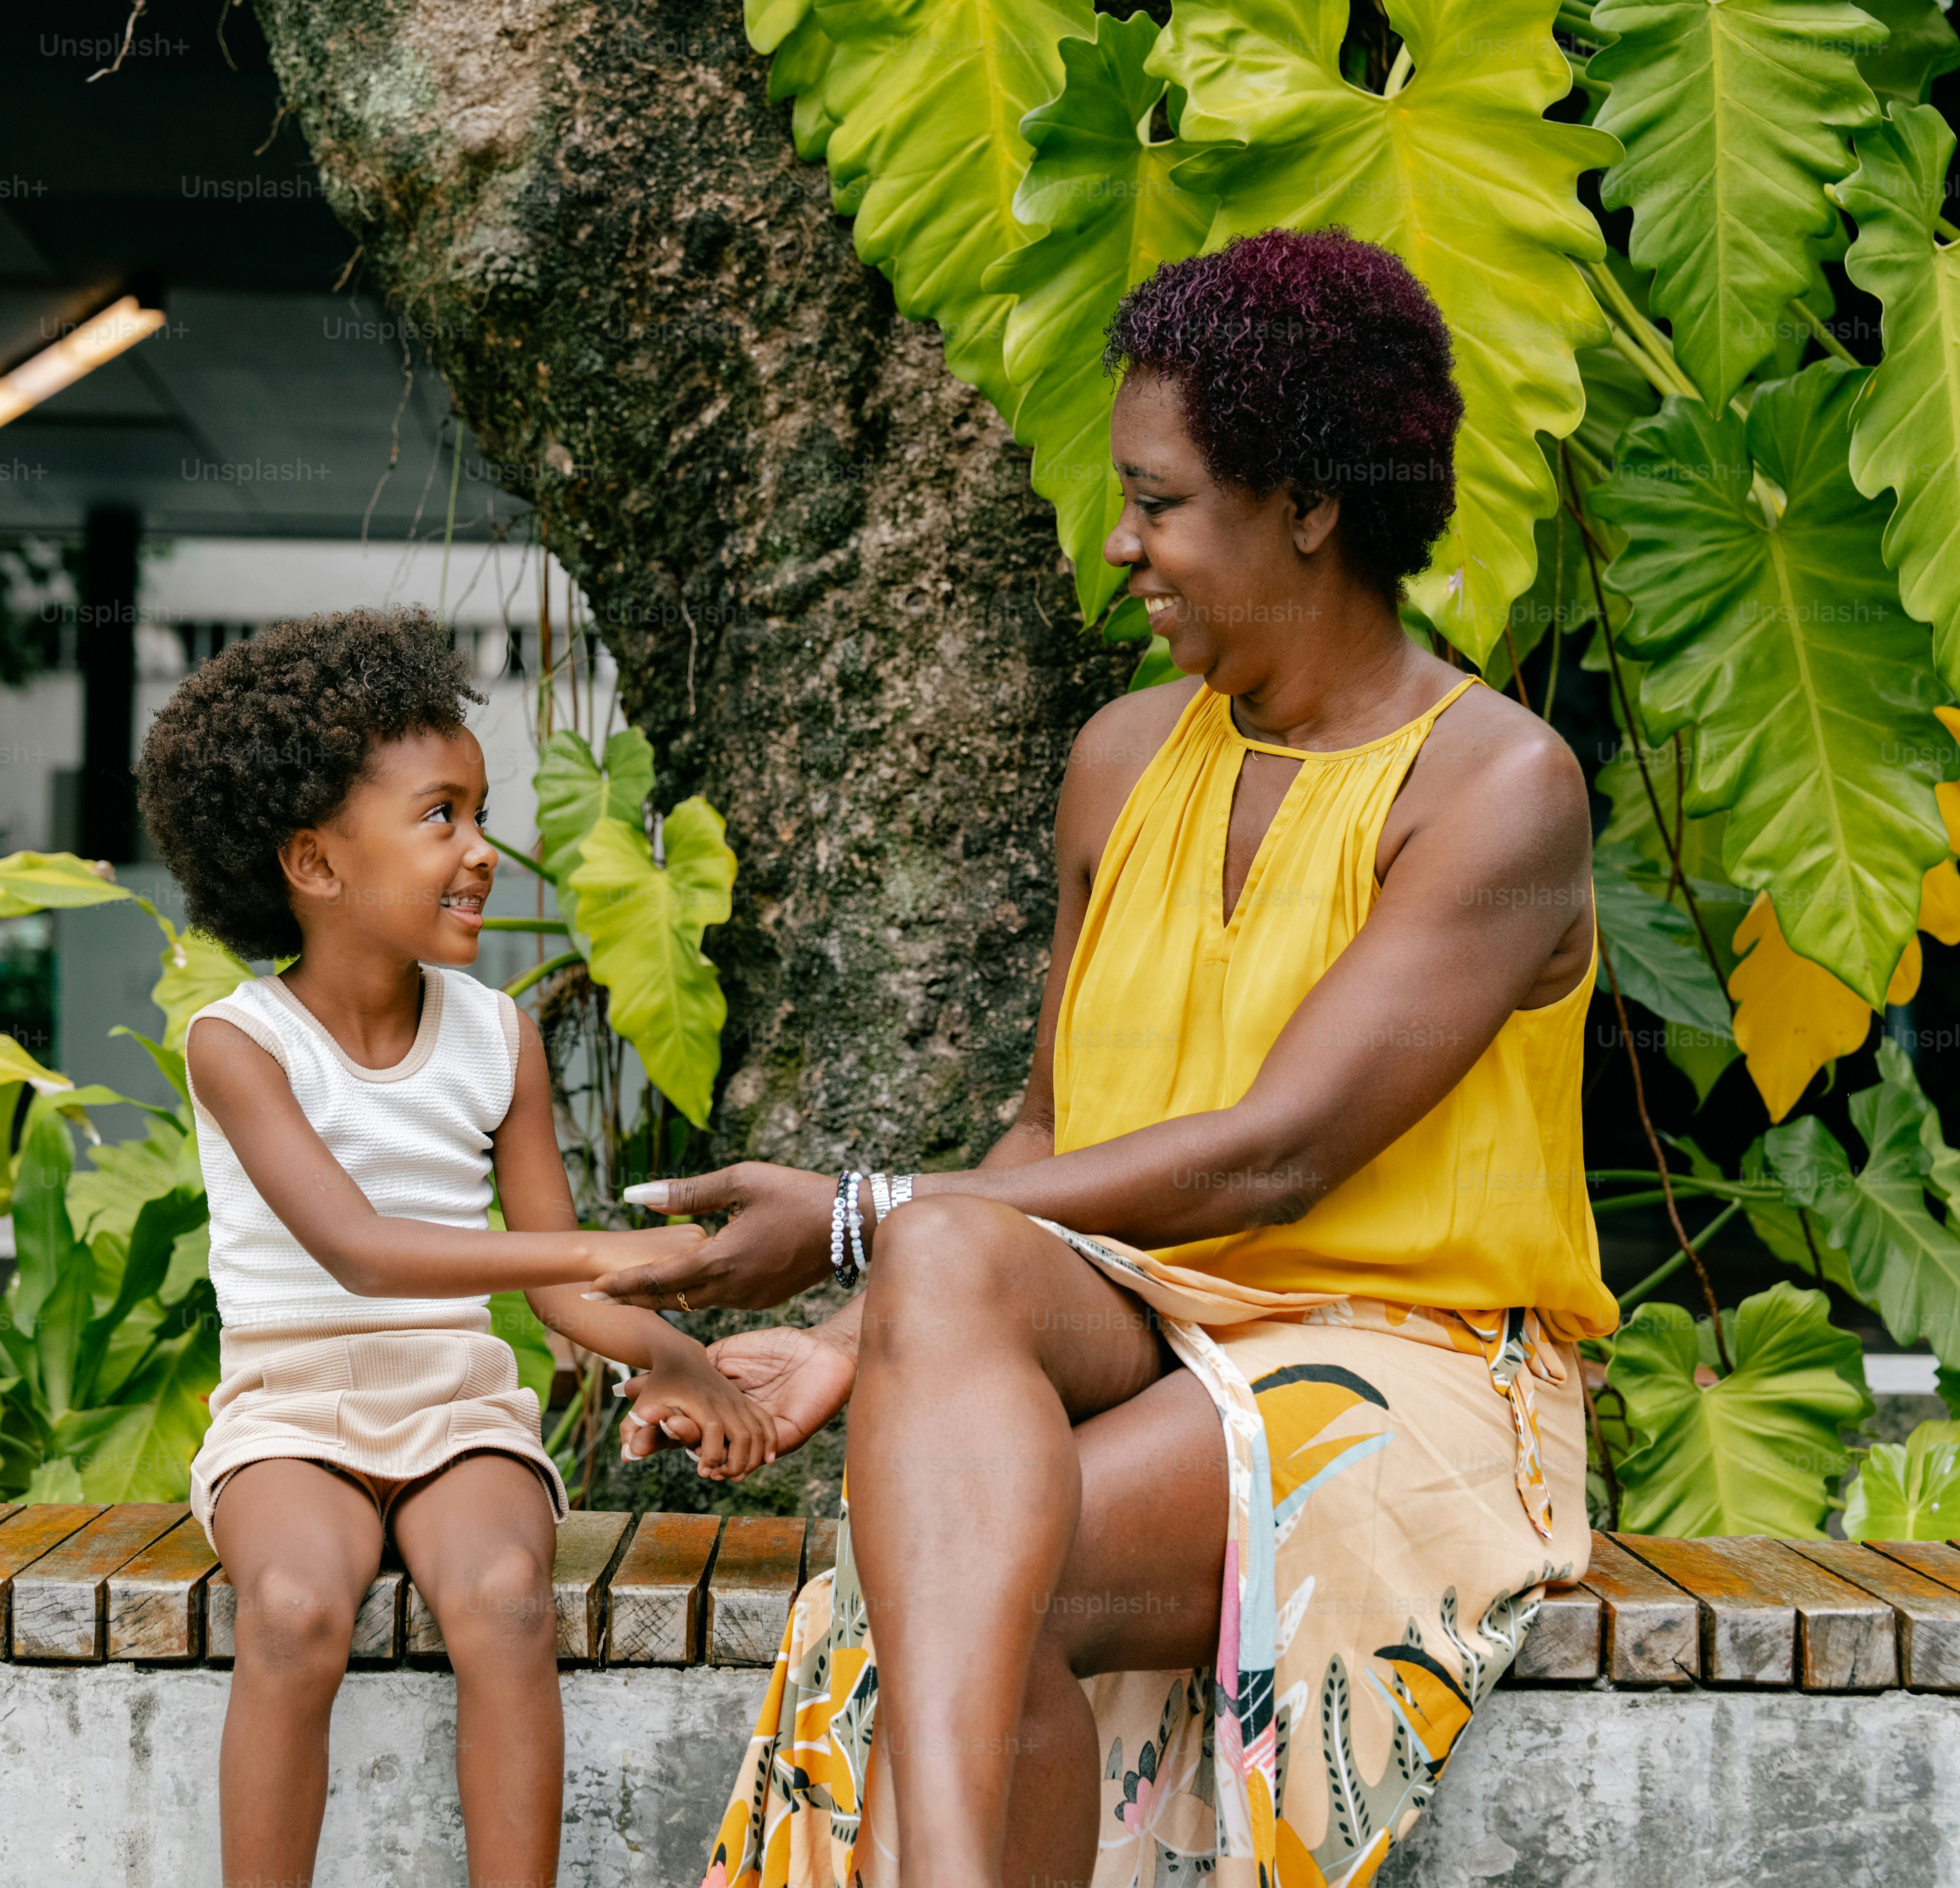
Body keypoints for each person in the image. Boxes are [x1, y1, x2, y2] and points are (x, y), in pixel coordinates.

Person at [589, 230, 1616, 1888]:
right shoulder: (1122, 758)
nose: (1121, 545)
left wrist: (852, 1212)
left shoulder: (1498, 788)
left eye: (1162, 502)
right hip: (1146, 1312)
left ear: (1308, 505)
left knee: (977, 1585)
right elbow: (1050, 1131)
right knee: (953, 1335)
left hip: (1401, 1357)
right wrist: (852, 1335)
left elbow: (1278, 1154)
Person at [136, 610, 777, 1888]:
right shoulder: (240, 1045)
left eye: (479, 814)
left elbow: (557, 1289)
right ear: (315, 862)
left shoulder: (496, 1038)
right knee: (297, 1610)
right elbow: (362, 1253)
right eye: (443, 818)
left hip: (458, 1410)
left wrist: (672, 1353)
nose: (483, 853)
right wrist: (593, 1257)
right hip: (292, 1414)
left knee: (503, 1604)